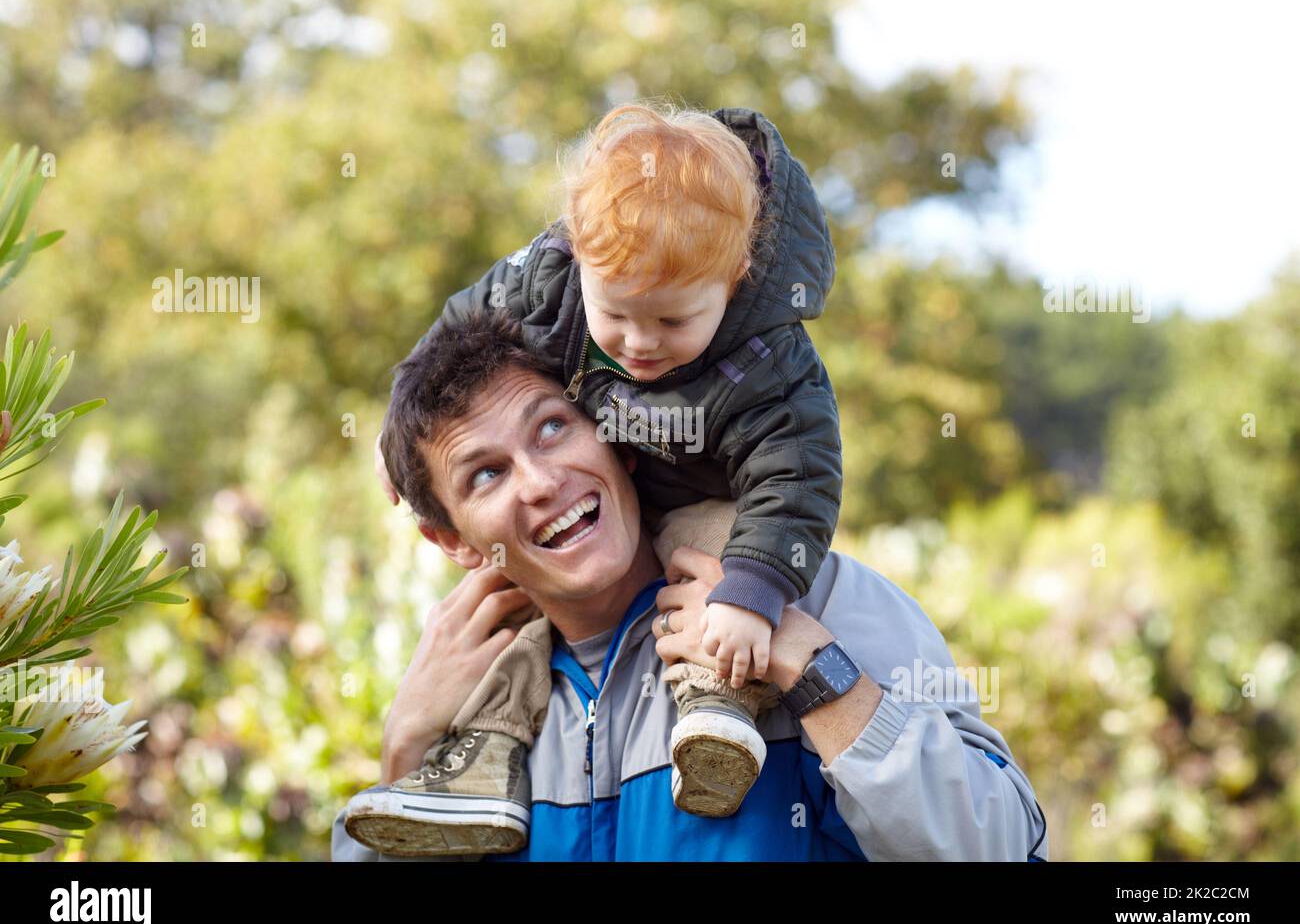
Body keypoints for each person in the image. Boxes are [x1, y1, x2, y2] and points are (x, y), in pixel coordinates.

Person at [334, 309, 1049, 861]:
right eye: (485, 474)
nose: (543, 482)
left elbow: (1003, 844)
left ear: (619, 437)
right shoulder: (473, 710)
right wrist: (405, 752)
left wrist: (804, 661)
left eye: (553, 427)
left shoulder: (811, 596)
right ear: (452, 540)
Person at [359, 102, 845, 845]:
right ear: (578, 257)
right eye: (616, 314)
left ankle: (716, 705)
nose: (640, 345)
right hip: (624, 503)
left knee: (722, 552)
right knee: (510, 614)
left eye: (675, 323)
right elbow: (463, 319)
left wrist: (755, 595)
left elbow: (797, 475)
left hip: (713, 513)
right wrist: (399, 422)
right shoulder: (551, 281)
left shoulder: (770, 360)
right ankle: (471, 764)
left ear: (735, 278)